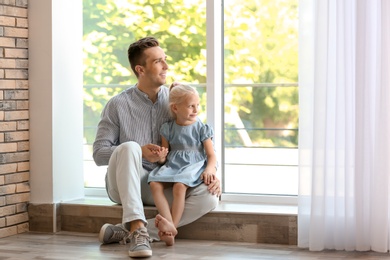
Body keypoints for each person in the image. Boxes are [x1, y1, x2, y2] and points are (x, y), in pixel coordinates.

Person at [92, 36, 221, 258]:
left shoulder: (175, 101)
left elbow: (197, 138)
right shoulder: (117, 105)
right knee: (130, 147)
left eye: (165, 59)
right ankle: (135, 228)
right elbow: (99, 153)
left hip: (162, 182)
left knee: (209, 197)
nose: (166, 66)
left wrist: (210, 171)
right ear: (140, 69)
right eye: (158, 61)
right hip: (124, 183)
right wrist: (139, 151)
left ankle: (131, 232)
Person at [148, 83, 217, 246]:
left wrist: (209, 169)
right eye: (191, 106)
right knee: (154, 184)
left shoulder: (201, 127)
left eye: (197, 105)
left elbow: (211, 155)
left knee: (179, 186)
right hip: (173, 164)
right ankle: (169, 225)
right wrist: (161, 157)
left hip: (193, 165)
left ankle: (171, 228)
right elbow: (164, 158)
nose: (196, 110)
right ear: (175, 108)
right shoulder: (167, 128)